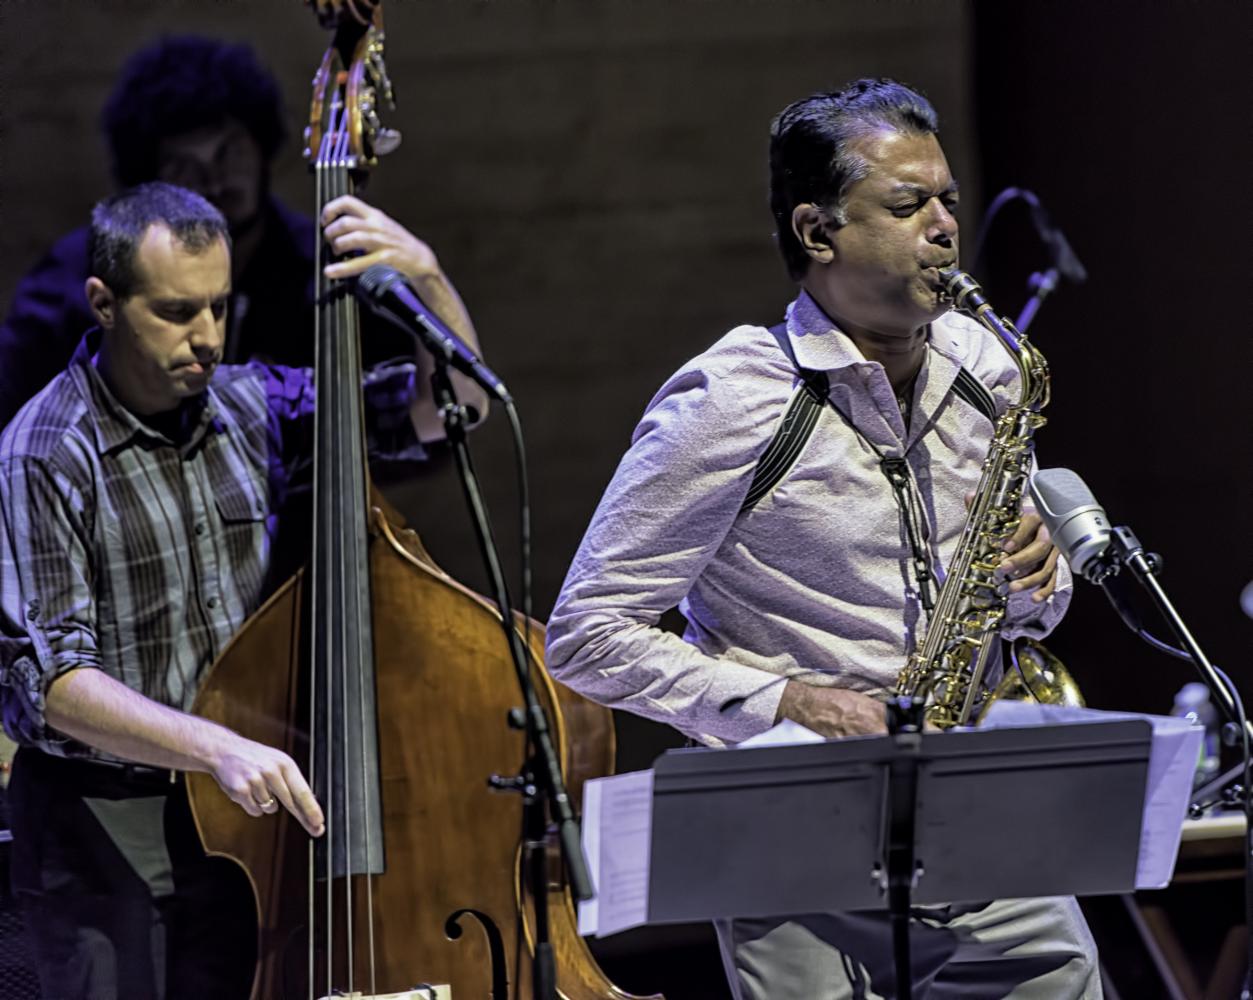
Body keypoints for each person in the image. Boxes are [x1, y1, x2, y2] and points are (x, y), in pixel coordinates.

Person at [545, 79, 1099, 999]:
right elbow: (586, 634)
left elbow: (1023, 618)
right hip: (793, 828)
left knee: (1064, 977)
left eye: (948, 201)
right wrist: (796, 703)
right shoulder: (729, 400)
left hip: (967, 798)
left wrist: (1038, 582)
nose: (943, 226)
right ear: (816, 231)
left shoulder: (988, 365)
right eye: (906, 203)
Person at [0, 180, 488, 999]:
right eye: (176, 311)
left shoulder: (249, 402)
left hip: (234, 816)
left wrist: (429, 281)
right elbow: (48, 684)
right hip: (104, 824)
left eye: (220, 308)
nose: (207, 338)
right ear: (103, 304)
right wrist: (215, 744)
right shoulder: (43, 451)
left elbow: (450, 409)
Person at [0, 34, 410, 428]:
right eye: (184, 165)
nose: (214, 182)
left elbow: (406, 417)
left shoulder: (321, 262)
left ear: (261, 146)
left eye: (228, 152)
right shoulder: (77, 271)